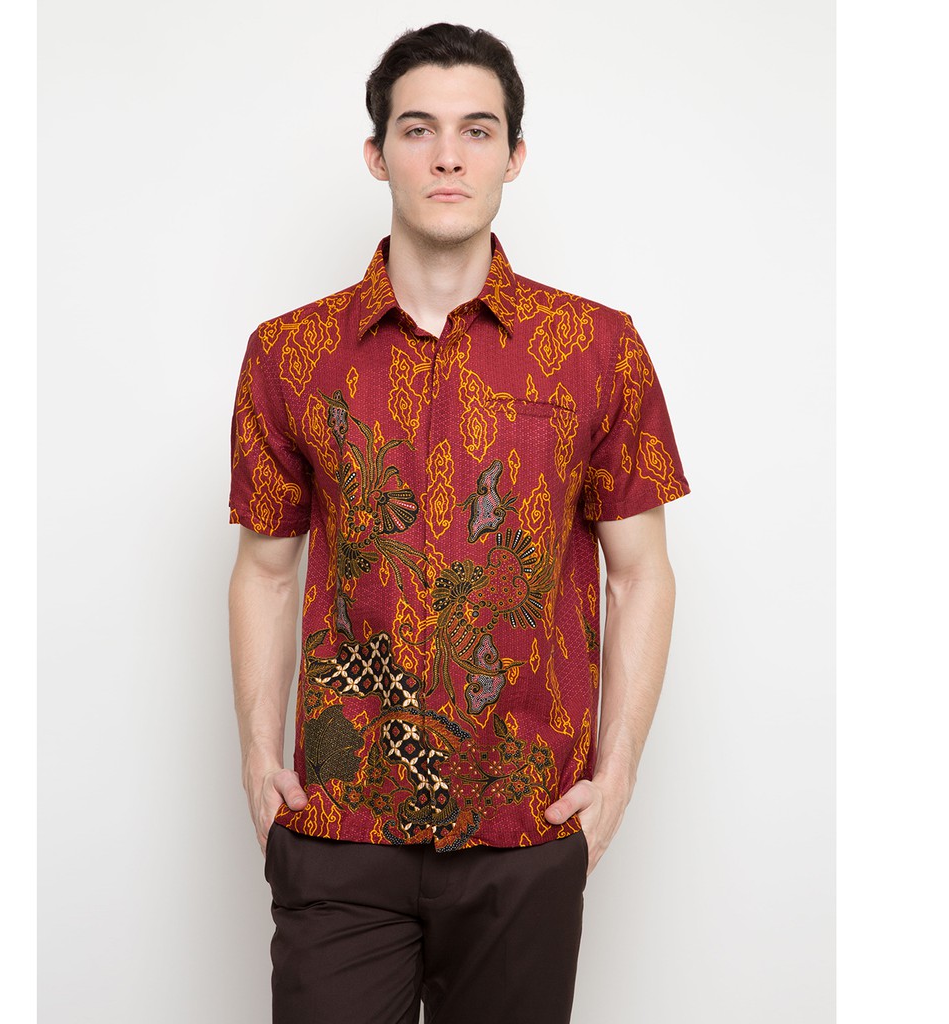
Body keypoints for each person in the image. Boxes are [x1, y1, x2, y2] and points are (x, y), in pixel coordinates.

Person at [228, 22, 689, 1024]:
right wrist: (260, 763)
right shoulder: (288, 354)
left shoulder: (597, 349)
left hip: (525, 831)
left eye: (477, 131)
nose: (448, 156)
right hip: (339, 830)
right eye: (418, 129)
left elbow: (639, 572)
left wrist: (615, 776)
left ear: (513, 156)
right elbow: (265, 568)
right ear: (376, 153)